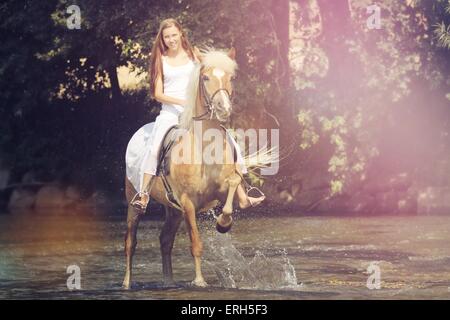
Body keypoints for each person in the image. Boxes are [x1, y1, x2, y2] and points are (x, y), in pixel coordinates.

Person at [130, 18, 265, 211]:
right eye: (167, 36)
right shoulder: (161, 60)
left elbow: (209, 78)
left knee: (230, 142)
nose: (171, 40)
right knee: (155, 147)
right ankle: (143, 194)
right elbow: (158, 94)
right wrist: (183, 102)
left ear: (181, 34)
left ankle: (244, 193)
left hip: (195, 114)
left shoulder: (194, 56)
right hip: (170, 114)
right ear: (162, 38)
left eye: (174, 35)